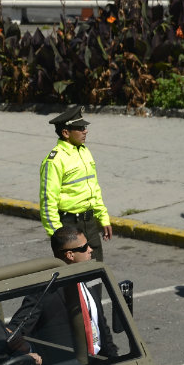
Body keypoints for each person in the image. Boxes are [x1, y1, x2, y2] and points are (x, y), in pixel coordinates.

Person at [8, 226, 120, 365]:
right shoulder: (46, 290)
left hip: (99, 362)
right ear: (70, 255)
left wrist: (114, 359)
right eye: (84, 247)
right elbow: (16, 330)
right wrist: (27, 352)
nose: (90, 250)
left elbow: (100, 325)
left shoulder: (90, 277)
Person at [40, 107, 113, 261]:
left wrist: (103, 217)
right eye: (80, 128)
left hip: (89, 222)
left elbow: (94, 189)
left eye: (84, 127)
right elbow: (48, 202)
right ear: (66, 133)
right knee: (74, 279)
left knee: (95, 272)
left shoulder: (84, 152)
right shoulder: (54, 160)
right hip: (68, 225)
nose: (85, 131)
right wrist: (58, 235)